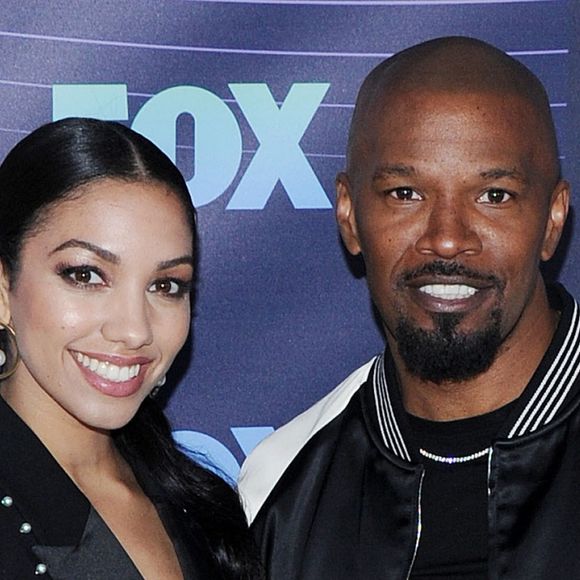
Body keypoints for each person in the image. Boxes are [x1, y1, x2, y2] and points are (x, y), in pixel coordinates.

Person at [238, 36, 576, 579]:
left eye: (494, 196)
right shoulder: (281, 485)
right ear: (348, 215)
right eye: (405, 193)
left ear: (553, 220)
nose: (446, 239)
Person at [0, 118, 262, 579]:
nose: (134, 329)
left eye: (166, 285)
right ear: (4, 288)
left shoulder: (201, 507)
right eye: (86, 275)